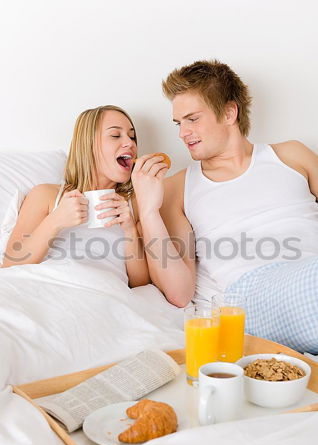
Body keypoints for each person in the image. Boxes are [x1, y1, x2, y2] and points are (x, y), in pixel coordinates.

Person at [133, 60, 318, 353]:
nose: (182, 133)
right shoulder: (178, 188)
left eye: (192, 119)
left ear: (229, 112)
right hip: (252, 294)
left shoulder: (291, 155)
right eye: (178, 123)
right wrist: (147, 210)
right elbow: (180, 293)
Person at [2, 105, 168, 288]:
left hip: (102, 296)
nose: (130, 143)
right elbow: (11, 265)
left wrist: (129, 230)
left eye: (132, 136)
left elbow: (139, 283)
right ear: (88, 144)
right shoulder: (47, 195)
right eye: (115, 135)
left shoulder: (135, 205)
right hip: (48, 290)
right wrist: (56, 221)